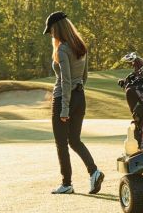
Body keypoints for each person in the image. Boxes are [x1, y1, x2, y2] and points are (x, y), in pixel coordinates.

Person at [44, 11, 104, 194]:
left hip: (64, 98)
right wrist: (78, 95)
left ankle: (67, 183)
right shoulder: (81, 46)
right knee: (75, 140)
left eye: (52, 30)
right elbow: (84, 76)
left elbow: (65, 81)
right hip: (80, 97)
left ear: (58, 28)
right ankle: (94, 172)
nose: (51, 34)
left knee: (61, 143)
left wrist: (64, 108)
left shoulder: (62, 49)